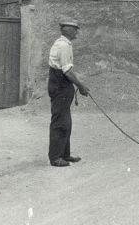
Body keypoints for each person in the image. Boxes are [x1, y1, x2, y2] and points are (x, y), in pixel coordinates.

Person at [48, 21, 90, 167]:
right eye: (75, 30)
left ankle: (65, 154)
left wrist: (77, 83)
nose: (76, 33)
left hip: (61, 85)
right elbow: (67, 70)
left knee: (65, 121)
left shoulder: (63, 43)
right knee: (60, 122)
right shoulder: (64, 45)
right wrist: (81, 86)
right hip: (60, 86)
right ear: (68, 31)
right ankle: (55, 157)